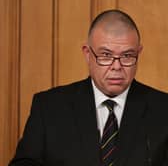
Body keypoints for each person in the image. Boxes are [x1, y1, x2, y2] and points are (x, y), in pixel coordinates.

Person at [9, 9, 168, 166]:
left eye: (127, 56)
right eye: (106, 55)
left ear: (139, 53)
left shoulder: (163, 109)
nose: (116, 66)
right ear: (87, 54)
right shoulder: (49, 107)